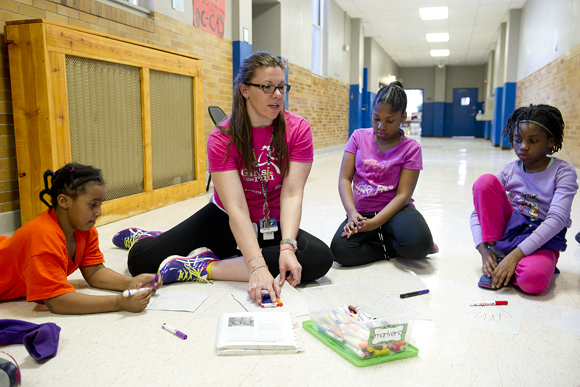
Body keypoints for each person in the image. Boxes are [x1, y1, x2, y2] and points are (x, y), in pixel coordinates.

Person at [116, 51, 333, 304]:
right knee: (140, 262)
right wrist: (257, 267)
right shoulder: (222, 138)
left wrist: (286, 247)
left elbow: (293, 194)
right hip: (226, 217)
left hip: (271, 221)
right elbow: (236, 207)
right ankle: (151, 237)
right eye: (267, 87)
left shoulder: (298, 129)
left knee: (318, 259)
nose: (277, 94)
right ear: (245, 90)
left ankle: (203, 267)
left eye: (282, 87)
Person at [0, 164, 160, 314]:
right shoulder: (42, 237)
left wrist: (130, 283)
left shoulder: (85, 230)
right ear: (64, 201)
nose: (99, 212)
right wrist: (119, 302)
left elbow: (95, 272)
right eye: (92, 205)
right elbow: (57, 301)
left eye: (100, 204)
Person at [471, 104, 578, 294]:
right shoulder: (508, 170)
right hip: (511, 229)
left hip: (544, 236)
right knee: (484, 182)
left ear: (551, 141)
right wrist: (484, 250)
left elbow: (557, 219)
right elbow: (478, 212)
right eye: (517, 140)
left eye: (533, 141)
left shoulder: (563, 172)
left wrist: (515, 256)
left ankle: (514, 263)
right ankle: (499, 256)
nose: (523, 147)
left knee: (533, 282)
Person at [330, 81, 436, 266]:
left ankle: (390, 234)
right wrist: (351, 213)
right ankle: (389, 245)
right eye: (376, 118)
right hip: (362, 213)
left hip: (396, 211)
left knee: (420, 245)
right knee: (340, 250)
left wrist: (375, 223)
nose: (381, 126)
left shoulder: (411, 148)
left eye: (390, 120)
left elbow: (404, 195)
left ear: (403, 117)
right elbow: (344, 179)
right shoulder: (358, 137)